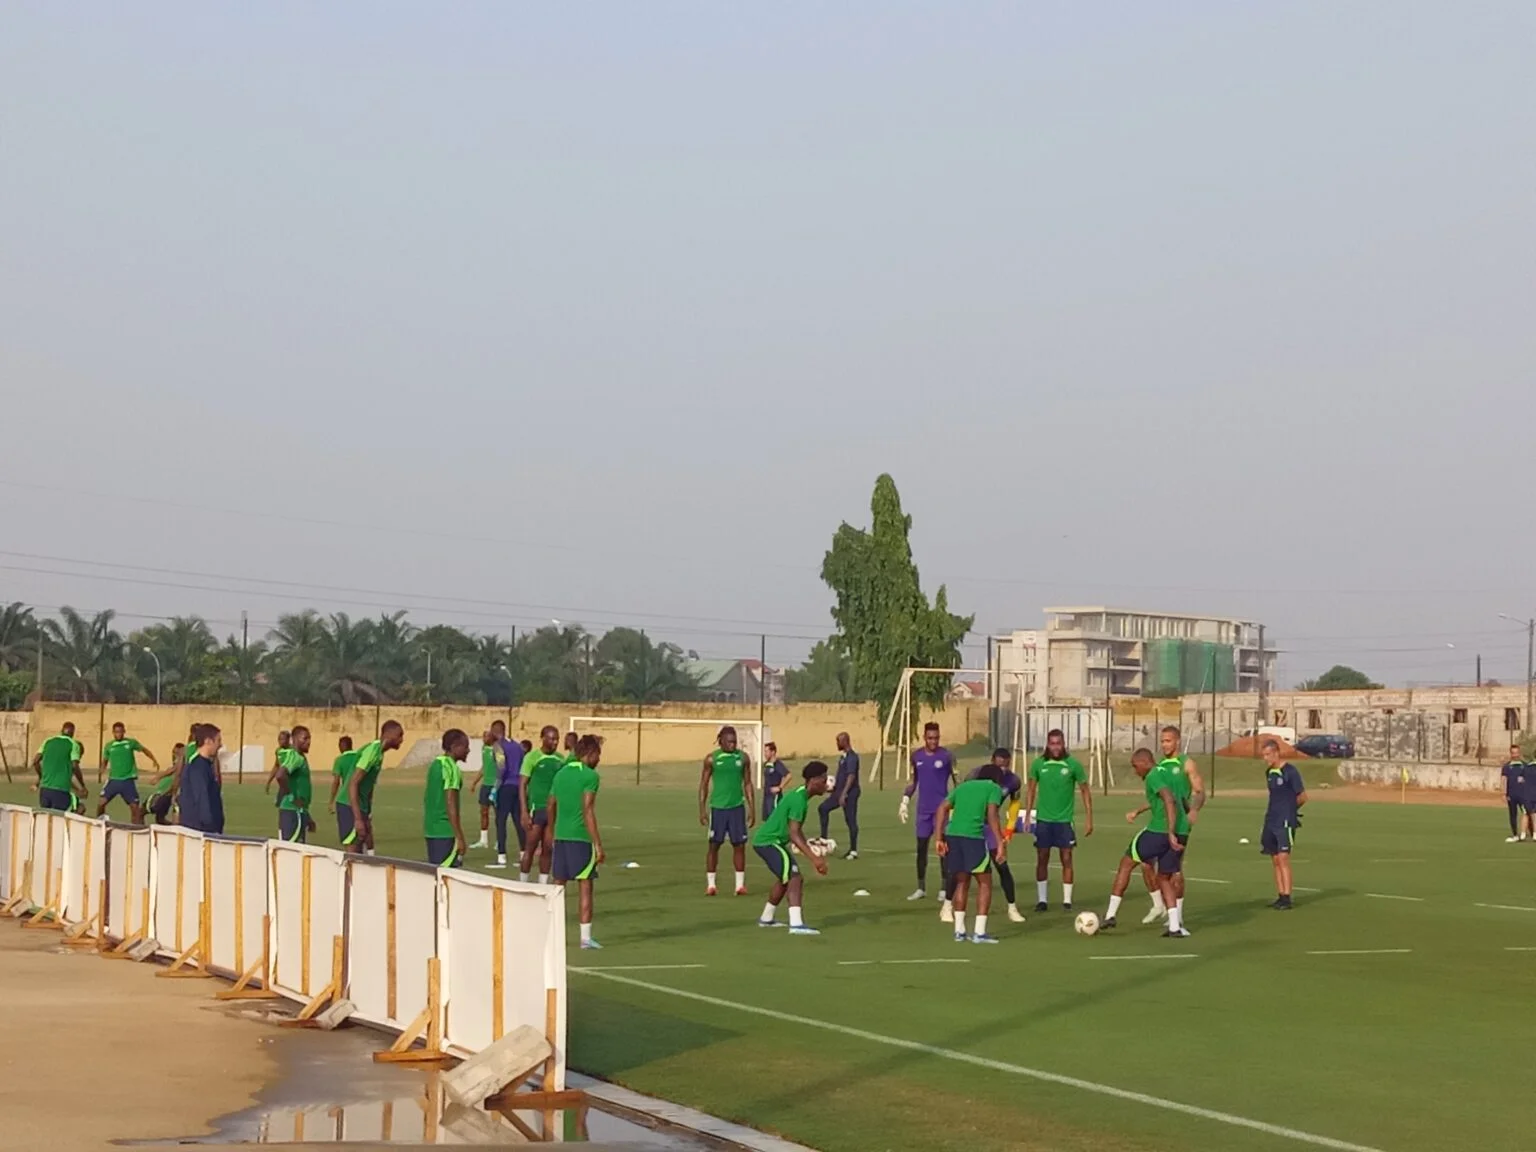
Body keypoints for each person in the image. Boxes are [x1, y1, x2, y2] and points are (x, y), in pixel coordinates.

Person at [1099, 749, 1186, 937]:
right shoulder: (1167, 773)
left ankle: (1110, 915)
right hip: (1179, 831)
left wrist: (1169, 832)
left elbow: (1168, 799)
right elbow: (1172, 799)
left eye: (1135, 765)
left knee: (1126, 863)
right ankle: (1174, 926)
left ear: (1145, 762)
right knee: (1163, 877)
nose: (1134, 770)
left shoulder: (1153, 776)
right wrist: (1139, 811)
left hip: (1158, 831)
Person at [751, 761, 830, 934]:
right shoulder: (799, 799)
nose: (826, 784)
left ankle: (766, 918)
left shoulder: (801, 796)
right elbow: (794, 834)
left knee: (785, 878)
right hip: (769, 841)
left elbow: (797, 831)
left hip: (770, 842)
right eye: (823, 780)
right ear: (813, 780)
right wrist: (814, 858)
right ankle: (796, 924)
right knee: (795, 877)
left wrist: (809, 847)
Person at [934, 763, 1008, 943]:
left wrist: (939, 838)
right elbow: (992, 815)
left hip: (953, 835)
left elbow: (942, 808)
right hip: (973, 838)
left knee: (962, 881)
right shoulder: (994, 788)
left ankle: (959, 931)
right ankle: (979, 933)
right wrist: (1000, 842)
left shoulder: (963, 787)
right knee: (985, 882)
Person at [1024, 729, 1093, 912]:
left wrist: (1088, 818)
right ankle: (1042, 900)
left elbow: (1085, 790)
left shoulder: (1073, 765)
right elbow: (1030, 789)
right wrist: (1028, 814)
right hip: (1044, 820)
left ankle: (1067, 900)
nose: (1056, 747)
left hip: (1064, 820)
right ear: (1047, 744)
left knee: (1067, 858)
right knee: (1042, 858)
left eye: (1059, 743)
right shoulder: (1039, 764)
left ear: (1064, 744)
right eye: (1052, 743)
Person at [549, 733, 606, 949]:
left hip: (561, 836)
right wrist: (598, 844)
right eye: (598, 754)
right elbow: (588, 810)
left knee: (557, 887)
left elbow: (550, 803)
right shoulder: (590, 776)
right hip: (580, 837)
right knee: (585, 887)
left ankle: (552, 932)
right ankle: (585, 938)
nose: (599, 759)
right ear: (590, 754)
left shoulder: (561, 773)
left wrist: (552, 831)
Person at [902, 722, 956, 901]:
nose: (933, 741)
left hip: (941, 810)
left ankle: (943, 888)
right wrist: (905, 800)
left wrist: (957, 805)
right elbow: (913, 781)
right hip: (923, 810)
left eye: (936, 738)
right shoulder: (916, 756)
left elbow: (958, 782)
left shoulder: (947, 756)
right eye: (930, 738)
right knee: (921, 848)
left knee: (942, 848)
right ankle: (921, 887)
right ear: (924, 737)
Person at [700, 726, 755, 896]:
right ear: (721, 741)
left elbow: (747, 783)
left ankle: (739, 886)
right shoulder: (711, 759)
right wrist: (702, 809)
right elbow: (703, 784)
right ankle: (711, 885)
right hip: (718, 809)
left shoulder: (743, 758)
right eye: (729, 741)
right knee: (714, 845)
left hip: (737, 808)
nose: (733, 744)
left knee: (739, 845)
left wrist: (752, 808)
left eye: (735, 741)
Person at [1260, 740, 1308, 909]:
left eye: (1267, 755)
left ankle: (1287, 897)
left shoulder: (1290, 771)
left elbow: (1302, 797)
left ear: (1276, 753)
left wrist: (1289, 810)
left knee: (1283, 858)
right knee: (1274, 858)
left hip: (1285, 821)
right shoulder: (1269, 772)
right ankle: (1280, 895)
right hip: (1271, 819)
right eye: (1263, 755)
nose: (1265, 758)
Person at [347, 721, 404, 855]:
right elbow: (353, 783)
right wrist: (358, 818)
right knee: (352, 850)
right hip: (349, 804)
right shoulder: (373, 751)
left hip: (361, 805)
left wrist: (367, 811)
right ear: (388, 734)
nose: (402, 739)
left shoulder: (379, 753)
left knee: (359, 849)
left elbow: (369, 785)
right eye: (399, 735)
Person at [519, 726, 566, 883]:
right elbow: (522, 784)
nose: (555, 742)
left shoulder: (560, 759)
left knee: (548, 848)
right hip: (536, 809)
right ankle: (523, 883)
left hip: (553, 811)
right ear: (543, 738)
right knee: (530, 848)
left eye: (557, 739)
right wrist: (524, 811)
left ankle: (542, 885)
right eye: (552, 738)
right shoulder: (532, 757)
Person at [97, 722, 160, 824]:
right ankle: (100, 823)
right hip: (114, 780)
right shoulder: (109, 746)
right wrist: (102, 768)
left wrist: (153, 760)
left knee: (134, 807)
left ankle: (133, 829)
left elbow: (144, 750)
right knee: (101, 803)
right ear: (113, 732)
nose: (118, 734)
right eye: (116, 732)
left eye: (120, 732)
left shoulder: (130, 743)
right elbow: (105, 759)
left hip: (128, 780)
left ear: (124, 732)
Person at [424, 728, 469, 868]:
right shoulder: (451, 767)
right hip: (445, 831)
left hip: (431, 829)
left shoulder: (435, 764)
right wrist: (459, 836)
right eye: (465, 747)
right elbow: (450, 801)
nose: (468, 751)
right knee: (447, 879)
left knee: (437, 875)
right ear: (454, 747)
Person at [488, 720, 526, 869]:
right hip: (518, 786)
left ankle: (501, 856)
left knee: (501, 820)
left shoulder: (498, 746)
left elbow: (501, 767)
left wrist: (495, 788)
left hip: (506, 786)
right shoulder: (517, 746)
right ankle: (523, 855)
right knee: (518, 821)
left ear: (495, 731)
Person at [819, 732, 860, 859]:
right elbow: (842, 776)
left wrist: (844, 794)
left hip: (849, 794)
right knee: (823, 808)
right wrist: (833, 789)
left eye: (838, 741)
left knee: (850, 820)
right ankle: (824, 840)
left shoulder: (852, 757)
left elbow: (851, 776)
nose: (837, 744)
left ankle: (853, 851)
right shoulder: (843, 757)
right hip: (840, 792)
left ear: (845, 741)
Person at [178, 724, 226, 834]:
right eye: (218, 741)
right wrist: (210, 826)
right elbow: (201, 797)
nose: (220, 745)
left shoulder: (205, 765)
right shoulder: (198, 767)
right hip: (201, 831)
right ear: (208, 741)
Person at [33, 722, 86, 812]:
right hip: (61, 790)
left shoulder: (48, 741)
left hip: (44, 790)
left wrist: (41, 776)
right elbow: (75, 766)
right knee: (80, 808)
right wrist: (82, 785)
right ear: (73, 732)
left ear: (61, 730)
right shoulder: (73, 744)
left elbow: (35, 761)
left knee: (47, 817)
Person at [274, 726, 315, 843]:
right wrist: (292, 797)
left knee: (298, 854)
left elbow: (299, 789)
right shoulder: (295, 757)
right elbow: (280, 775)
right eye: (305, 738)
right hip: (291, 812)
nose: (308, 742)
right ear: (294, 739)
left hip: (298, 812)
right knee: (289, 853)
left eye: (309, 739)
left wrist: (307, 817)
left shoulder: (301, 757)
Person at [472, 729, 504, 851]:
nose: (483, 738)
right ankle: (483, 840)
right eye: (483, 735)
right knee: (483, 812)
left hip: (495, 785)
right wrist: (475, 782)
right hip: (485, 785)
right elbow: (484, 767)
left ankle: (499, 840)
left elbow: (502, 769)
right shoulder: (484, 749)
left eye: (486, 736)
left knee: (498, 815)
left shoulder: (498, 750)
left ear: (492, 737)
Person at [329, 736, 360, 842]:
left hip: (344, 799)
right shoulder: (359, 757)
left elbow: (336, 781)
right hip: (359, 798)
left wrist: (331, 801)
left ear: (341, 746)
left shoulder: (339, 760)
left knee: (347, 836)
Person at [145, 744, 183, 825]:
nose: (174, 756)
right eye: (173, 753)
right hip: (165, 793)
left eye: (176, 754)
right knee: (160, 819)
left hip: (165, 794)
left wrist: (157, 777)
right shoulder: (174, 766)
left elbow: (173, 770)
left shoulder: (180, 765)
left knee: (141, 811)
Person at [1502, 745, 1527, 842]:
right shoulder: (1507, 766)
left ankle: (1529, 833)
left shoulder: (1524, 765)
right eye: (1513, 753)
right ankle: (1515, 835)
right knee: (1513, 814)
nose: (1515, 755)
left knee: (1527, 813)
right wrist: (1503, 793)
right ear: (1510, 753)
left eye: (1517, 752)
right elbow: (1503, 780)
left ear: (1519, 753)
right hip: (1511, 795)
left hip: (1523, 795)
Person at [761, 742, 789, 821]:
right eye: (764, 751)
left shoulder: (777, 764)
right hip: (766, 795)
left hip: (774, 796)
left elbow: (788, 776)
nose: (765, 754)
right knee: (767, 819)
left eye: (766, 751)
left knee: (775, 818)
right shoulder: (767, 764)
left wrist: (779, 787)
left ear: (773, 752)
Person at [264, 729, 292, 796]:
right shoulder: (278, 751)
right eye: (279, 739)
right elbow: (276, 766)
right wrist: (268, 782)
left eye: (283, 739)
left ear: (288, 739)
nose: (280, 741)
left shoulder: (294, 751)